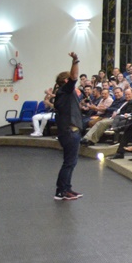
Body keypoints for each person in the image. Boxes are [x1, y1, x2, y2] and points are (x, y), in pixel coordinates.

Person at [53, 52, 84, 201]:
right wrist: (75, 61)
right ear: (66, 80)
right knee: (69, 162)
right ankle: (62, 191)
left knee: (70, 162)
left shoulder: (62, 93)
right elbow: (74, 76)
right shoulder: (65, 90)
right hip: (70, 132)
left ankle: (66, 188)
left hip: (67, 132)